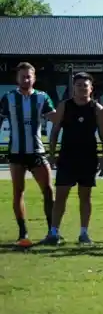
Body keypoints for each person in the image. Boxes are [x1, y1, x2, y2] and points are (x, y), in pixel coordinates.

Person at [45, 72, 103, 245]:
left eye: (85, 85)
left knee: (85, 197)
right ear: (74, 88)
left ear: (91, 88)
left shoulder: (97, 109)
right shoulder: (65, 106)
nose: (82, 88)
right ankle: (53, 232)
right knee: (61, 197)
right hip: (67, 157)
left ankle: (83, 233)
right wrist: (51, 154)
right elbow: (55, 131)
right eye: (79, 85)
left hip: (88, 158)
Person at [0, 62, 56, 244]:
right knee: (18, 192)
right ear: (17, 78)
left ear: (34, 78)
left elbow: (55, 117)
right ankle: (22, 233)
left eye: (28, 76)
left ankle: (52, 231)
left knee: (48, 191)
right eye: (22, 76)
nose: (26, 79)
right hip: (16, 154)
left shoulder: (42, 97)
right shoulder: (8, 98)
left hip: (37, 152)